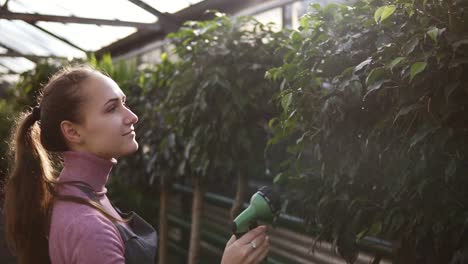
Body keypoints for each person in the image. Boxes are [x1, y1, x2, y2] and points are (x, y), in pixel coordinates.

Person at [2, 65, 270, 264]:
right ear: (73, 132)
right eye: (111, 108)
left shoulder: (75, 195)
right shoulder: (89, 227)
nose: (132, 116)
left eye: (124, 103)